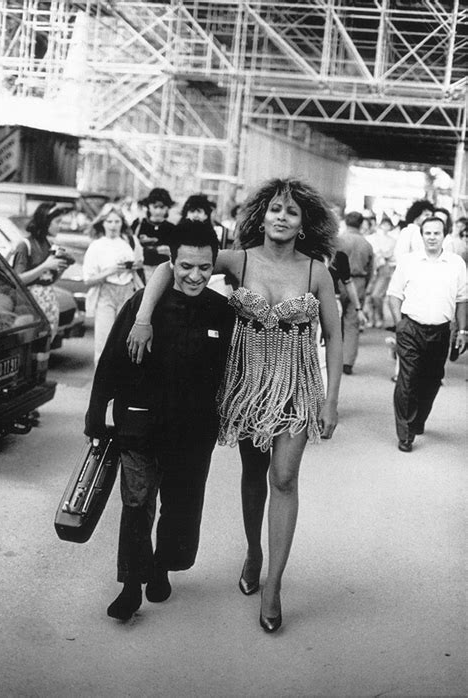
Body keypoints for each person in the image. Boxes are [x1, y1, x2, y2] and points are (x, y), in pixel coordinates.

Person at [127, 178, 343, 633]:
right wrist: (144, 318)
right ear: (260, 216)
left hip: (297, 384)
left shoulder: (316, 271)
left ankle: (273, 586)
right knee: (253, 476)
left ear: (304, 224)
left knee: (283, 477)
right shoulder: (237, 260)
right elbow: (170, 267)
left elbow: (336, 334)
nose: (282, 218)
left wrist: (332, 400)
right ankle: (253, 552)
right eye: (275, 210)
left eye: (292, 212)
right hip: (247, 387)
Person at [85, 221, 234, 620]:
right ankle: (131, 585)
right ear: (170, 262)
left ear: (215, 265)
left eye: (204, 267)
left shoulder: (222, 312)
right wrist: (95, 414)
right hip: (140, 422)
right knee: (136, 502)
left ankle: (163, 567)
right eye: (186, 265)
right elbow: (112, 359)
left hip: (193, 428)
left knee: (181, 504)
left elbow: (232, 371)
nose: (195, 275)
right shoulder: (142, 307)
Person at [387, 216, 467, 452]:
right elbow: (394, 295)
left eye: (437, 233)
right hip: (411, 328)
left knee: (432, 379)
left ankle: (419, 419)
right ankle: (405, 433)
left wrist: (462, 330)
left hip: (441, 331)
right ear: (421, 235)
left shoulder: (456, 264)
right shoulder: (409, 261)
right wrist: (399, 325)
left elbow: (463, 299)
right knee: (408, 379)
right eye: (428, 233)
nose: (432, 237)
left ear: (445, 235)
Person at [83, 204, 144, 364]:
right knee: (103, 342)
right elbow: (88, 280)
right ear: (102, 223)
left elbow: (138, 265)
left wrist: (135, 266)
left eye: (117, 221)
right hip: (106, 292)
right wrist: (111, 270)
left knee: (124, 341)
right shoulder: (96, 246)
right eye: (109, 221)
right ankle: (100, 384)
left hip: (127, 290)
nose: (113, 225)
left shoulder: (129, 242)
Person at [11, 202, 73, 341]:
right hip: (29, 305)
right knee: (29, 348)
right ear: (46, 221)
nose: (60, 226)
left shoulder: (49, 245)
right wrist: (45, 266)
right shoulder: (25, 245)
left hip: (48, 303)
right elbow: (17, 280)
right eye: (57, 221)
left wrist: (61, 269)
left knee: (44, 350)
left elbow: (48, 279)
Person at [337, 211, 374, 374]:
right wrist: (365, 286)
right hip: (358, 282)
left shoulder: (338, 241)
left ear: (345, 222)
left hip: (337, 281)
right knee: (352, 323)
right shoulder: (366, 244)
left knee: (335, 322)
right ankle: (348, 362)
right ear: (361, 224)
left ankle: (334, 357)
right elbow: (371, 270)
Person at [131, 188, 175, 280]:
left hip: (165, 273)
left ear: (167, 208)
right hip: (141, 271)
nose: (158, 211)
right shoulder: (139, 225)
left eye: (162, 207)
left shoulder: (172, 228)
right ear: (148, 206)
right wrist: (155, 250)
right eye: (155, 207)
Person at [366, 217, 397, 328]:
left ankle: (379, 318)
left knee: (377, 295)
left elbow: (390, 254)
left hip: (385, 269)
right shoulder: (371, 238)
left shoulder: (393, 240)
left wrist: (382, 254)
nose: (385, 227)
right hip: (373, 267)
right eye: (384, 224)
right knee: (369, 295)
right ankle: (371, 318)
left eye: (388, 225)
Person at [393, 199, 434, 263]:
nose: (429, 218)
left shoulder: (425, 232)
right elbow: (400, 255)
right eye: (426, 215)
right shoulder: (407, 231)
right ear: (416, 215)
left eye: (431, 216)